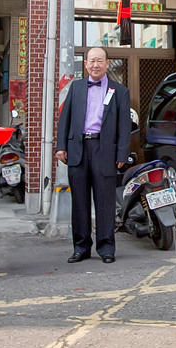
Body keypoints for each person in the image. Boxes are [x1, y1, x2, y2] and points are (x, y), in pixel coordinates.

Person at [55, 47, 131, 264]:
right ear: (86, 64)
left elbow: (124, 126)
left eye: (100, 61)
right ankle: (81, 247)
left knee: (105, 202)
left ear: (107, 64)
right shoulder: (76, 87)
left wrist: (122, 153)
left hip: (104, 150)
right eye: (92, 61)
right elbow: (65, 118)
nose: (95, 65)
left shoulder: (120, 91)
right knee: (79, 202)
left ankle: (106, 248)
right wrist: (61, 146)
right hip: (78, 149)